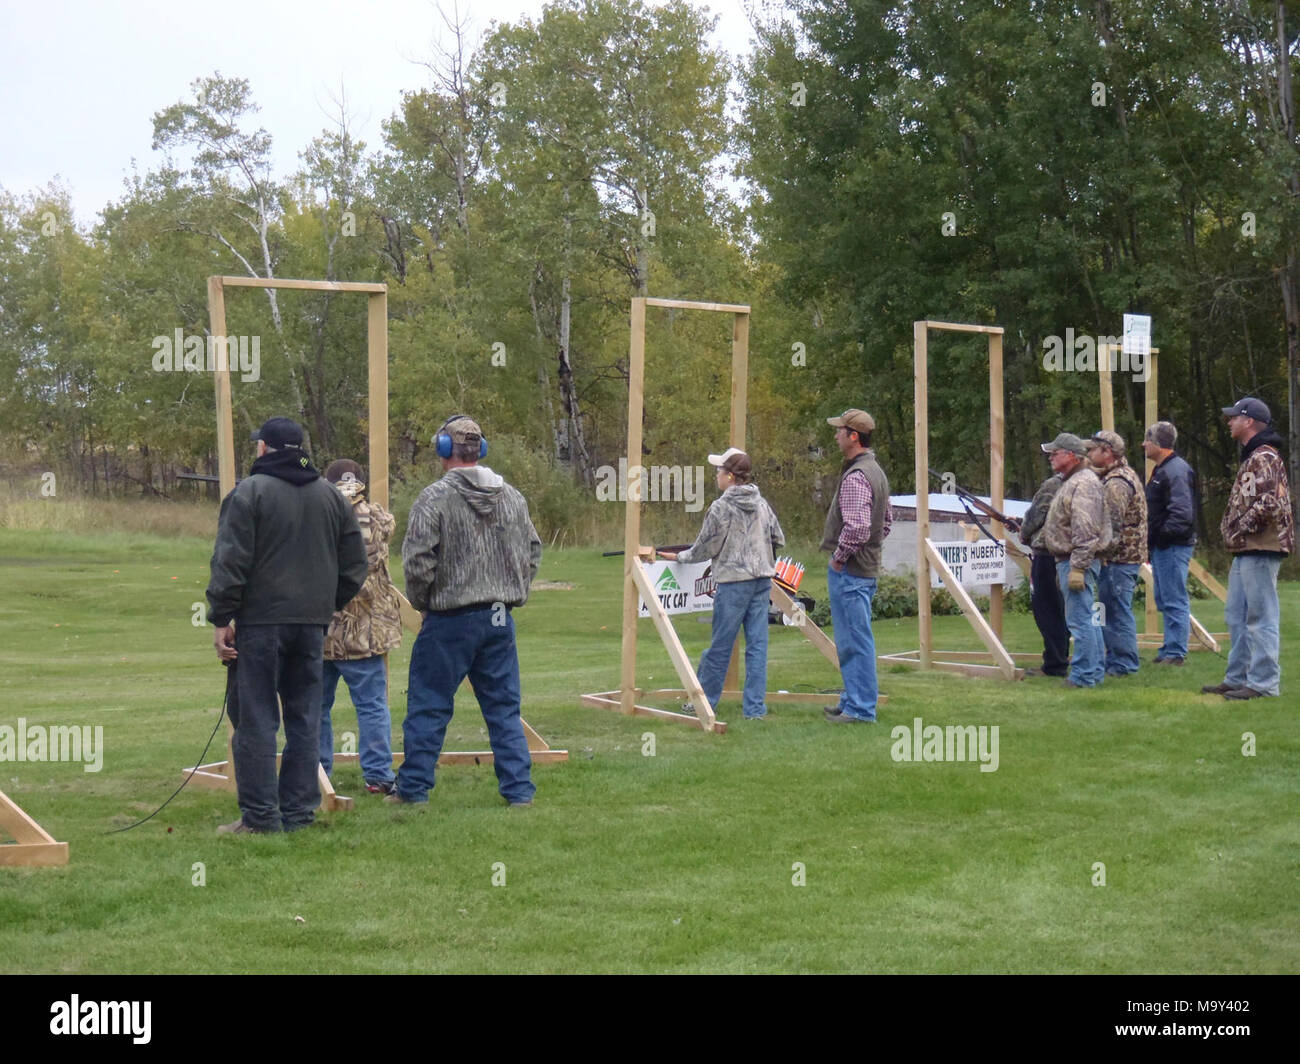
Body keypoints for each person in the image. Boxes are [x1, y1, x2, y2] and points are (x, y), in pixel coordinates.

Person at [206, 417, 367, 834]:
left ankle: (260, 819)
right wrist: (324, 605)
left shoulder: (248, 494)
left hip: (259, 624)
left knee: (256, 719)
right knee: (305, 718)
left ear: (263, 449)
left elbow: (230, 562)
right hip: (310, 627)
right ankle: (298, 813)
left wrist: (222, 617)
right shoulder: (332, 498)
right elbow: (355, 566)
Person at [390, 415, 542, 806]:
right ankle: (519, 792)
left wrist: (423, 603)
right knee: (504, 709)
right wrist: (514, 591)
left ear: (443, 450)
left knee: (429, 706)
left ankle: (412, 791)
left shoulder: (433, 498)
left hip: (449, 619)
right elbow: (533, 552)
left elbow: (418, 561)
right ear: (481, 450)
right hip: (498, 617)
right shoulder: (513, 497)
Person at [657, 448, 785, 721]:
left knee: (720, 646)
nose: (716, 475)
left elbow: (704, 547)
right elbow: (778, 538)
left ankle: (706, 703)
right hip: (762, 580)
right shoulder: (762, 504)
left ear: (730, 476)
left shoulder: (721, 507)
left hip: (733, 583)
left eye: (718, 471)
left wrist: (679, 556)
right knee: (757, 647)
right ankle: (754, 710)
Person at [319, 460, 403, 794]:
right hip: (366, 633)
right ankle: (379, 776)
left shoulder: (316, 517)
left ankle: (319, 773)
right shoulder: (381, 518)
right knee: (372, 706)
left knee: (315, 708)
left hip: (322, 630)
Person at [1202, 398, 1294, 700]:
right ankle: (1237, 678)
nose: (1228, 422)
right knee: (1236, 616)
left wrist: (1239, 527)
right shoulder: (1254, 456)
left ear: (1250, 421)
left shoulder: (1264, 456)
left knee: (1261, 616)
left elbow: (1270, 503)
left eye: (1234, 417)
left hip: (1260, 546)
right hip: (1246, 549)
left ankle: (1264, 683)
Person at [820, 408, 891, 724]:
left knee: (855, 641)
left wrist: (839, 558)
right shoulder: (874, 471)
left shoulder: (857, 476)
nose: (835, 436)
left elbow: (860, 527)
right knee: (852, 640)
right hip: (863, 569)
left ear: (853, 436)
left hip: (851, 571)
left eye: (839, 431)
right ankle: (852, 700)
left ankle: (861, 709)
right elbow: (885, 523)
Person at [1041, 432, 1111, 688]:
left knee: (1080, 621)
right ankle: (1093, 672)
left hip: (1075, 560)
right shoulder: (1078, 480)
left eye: (1055, 452)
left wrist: (1078, 567)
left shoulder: (1083, 483)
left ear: (1070, 456)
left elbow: (1085, 528)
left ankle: (1083, 676)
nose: (1050, 456)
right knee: (1087, 619)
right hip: (1072, 559)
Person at [1086, 430, 1147, 677]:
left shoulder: (1116, 484)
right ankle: (1117, 659)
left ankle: (1123, 664)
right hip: (1121, 558)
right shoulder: (1119, 476)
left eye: (1093, 449)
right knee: (1111, 610)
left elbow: (1110, 527)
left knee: (1116, 612)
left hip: (1118, 559)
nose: (1089, 454)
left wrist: (1095, 552)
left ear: (1107, 452)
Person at [1142, 421, 1198, 666]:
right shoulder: (1162, 469)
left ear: (1157, 443)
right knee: (1164, 597)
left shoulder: (1174, 470)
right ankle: (1169, 648)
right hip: (1163, 545)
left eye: (1147, 440)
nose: (1143, 444)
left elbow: (1182, 512)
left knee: (1174, 598)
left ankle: (1176, 652)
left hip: (1172, 545)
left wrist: (1162, 536)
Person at [1011, 459, 1069, 678]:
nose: (1051, 458)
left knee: (1047, 610)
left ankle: (1055, 664)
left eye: (1056, 454)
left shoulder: (1053, 485)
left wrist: (1025, 533)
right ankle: (1060, 658)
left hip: (1046, 554)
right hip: (1067, 554)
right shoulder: (1087, 481)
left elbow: (1037, 514)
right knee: (1063, 609)